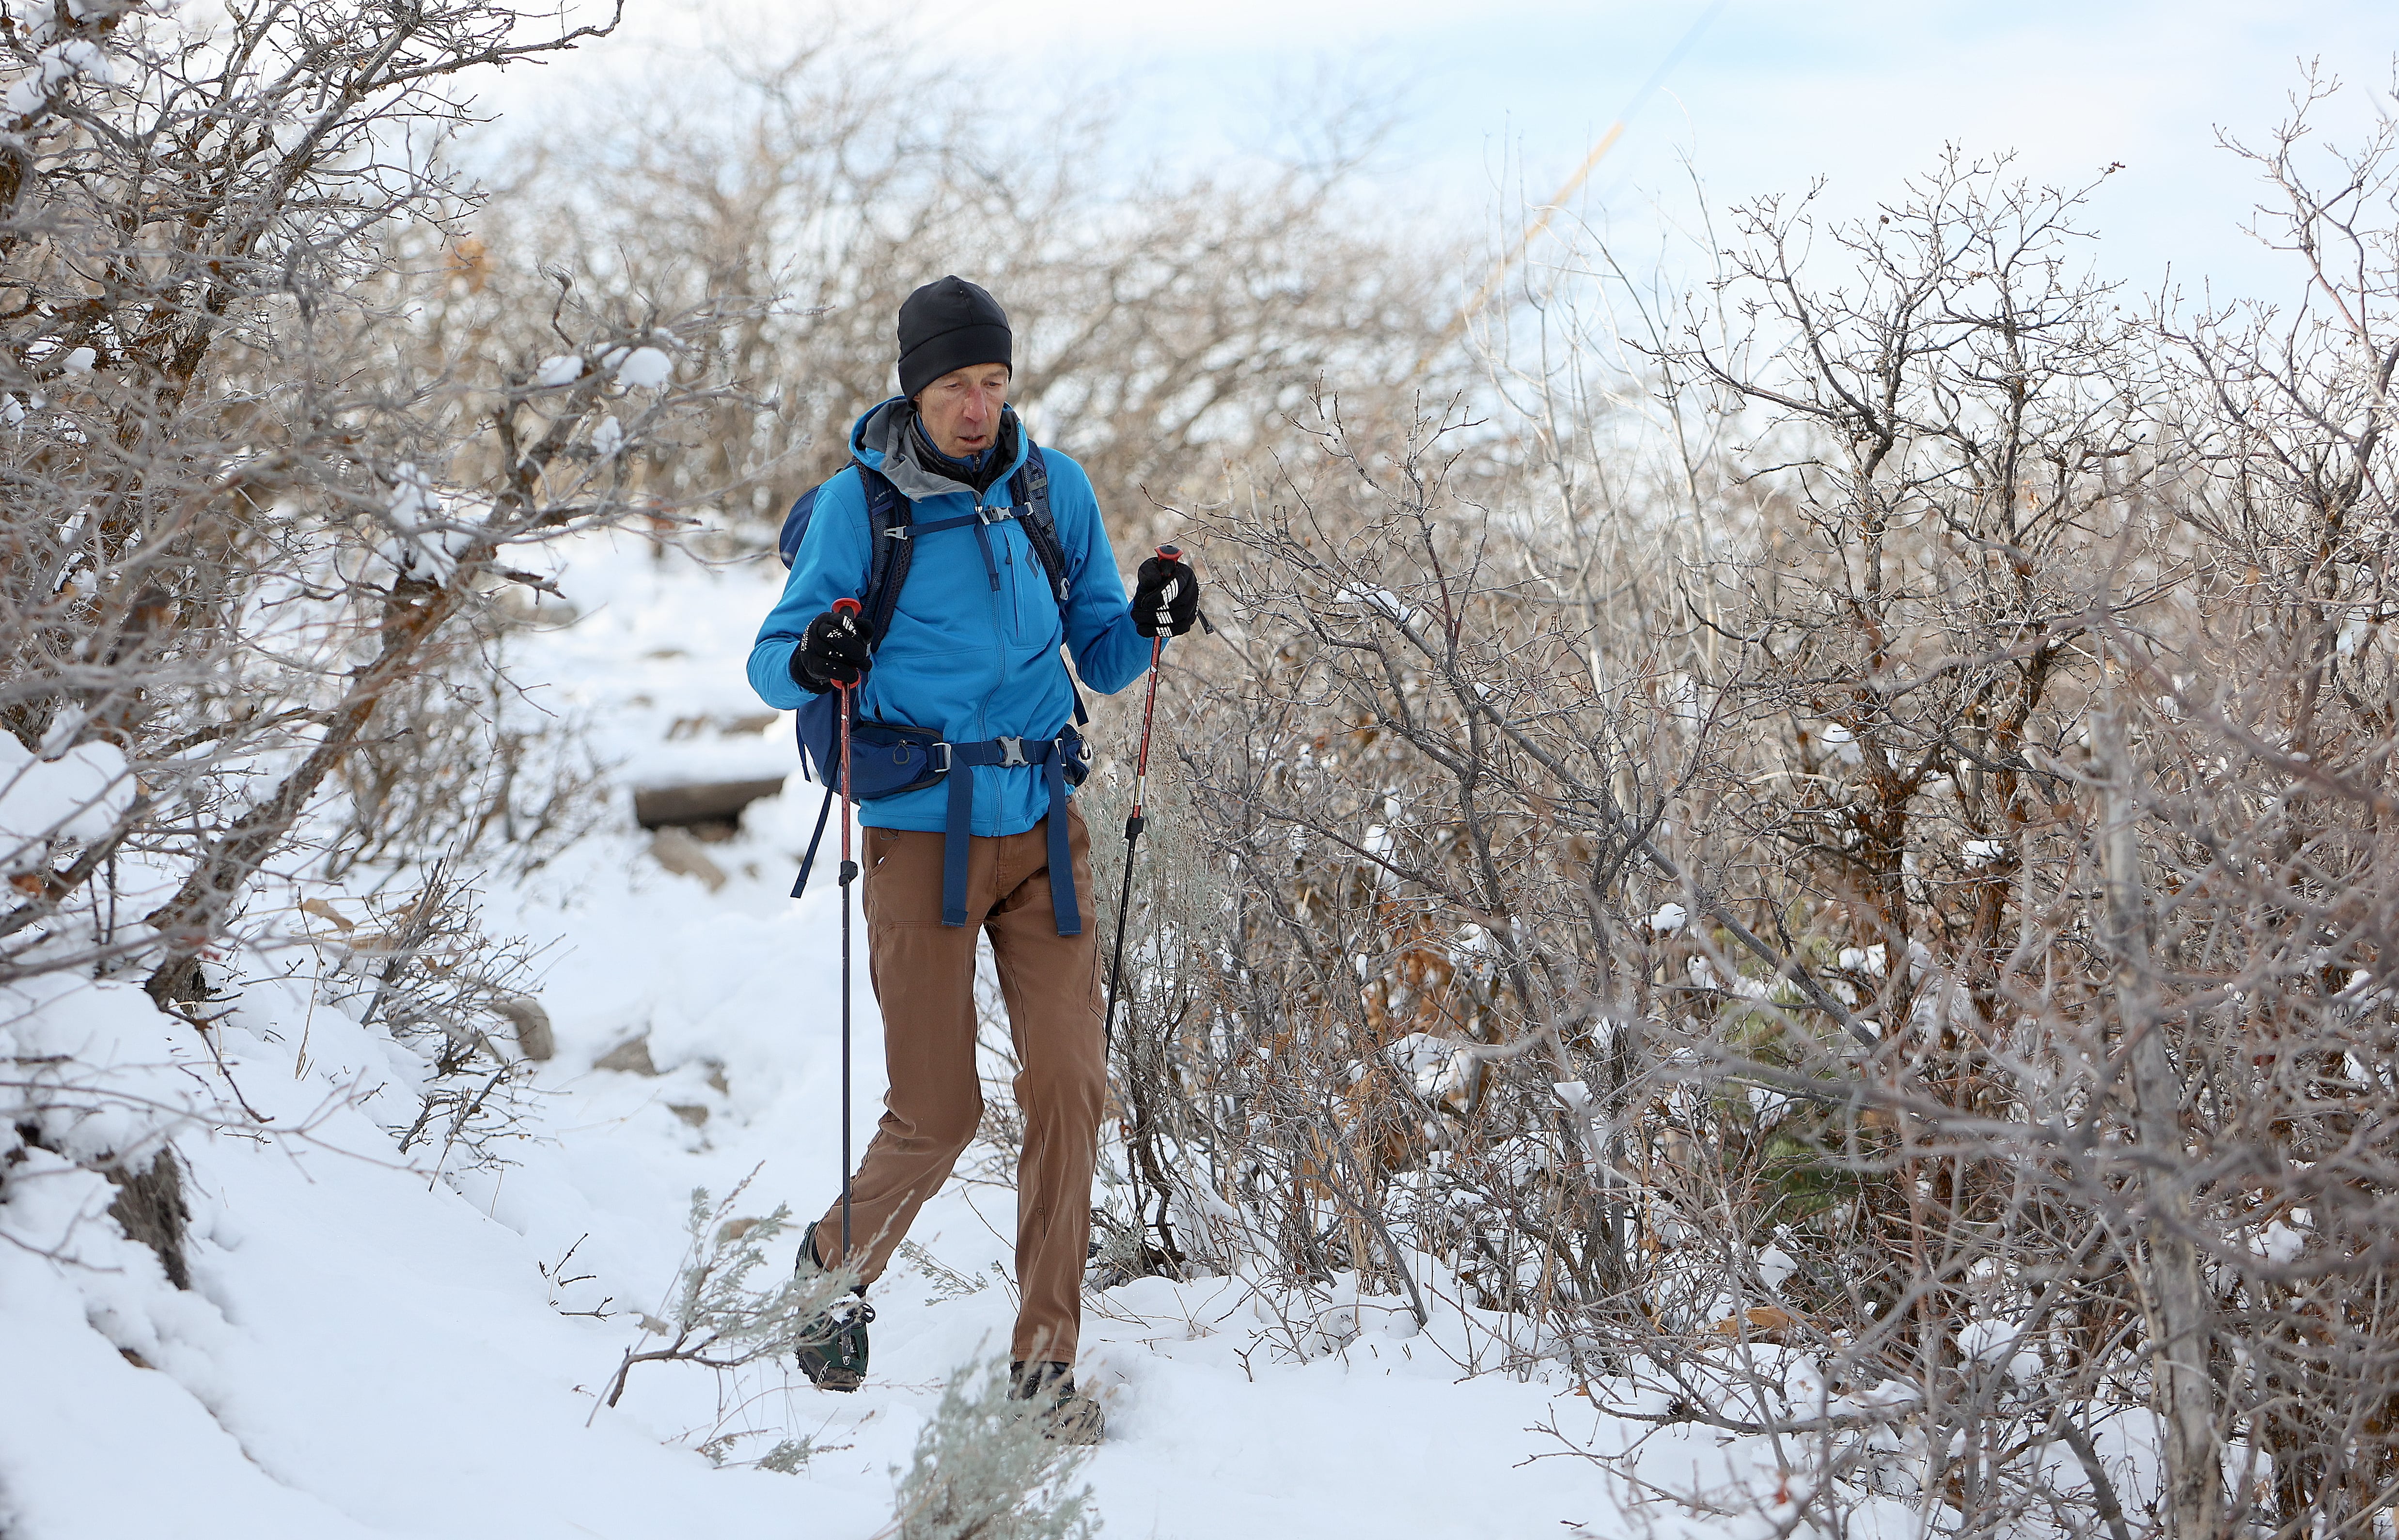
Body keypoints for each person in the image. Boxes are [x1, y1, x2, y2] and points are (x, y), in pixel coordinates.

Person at [746, 276, 1200, 1444]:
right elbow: (771, 659)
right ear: (916, 387)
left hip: (1045, 825)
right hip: (920, 836)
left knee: (1068, 1087)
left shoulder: (1056, 489)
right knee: (939, 1113)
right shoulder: (863, 507)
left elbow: (1101, 653)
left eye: (994, 383)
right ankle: (829, 1265)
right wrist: (820, 650)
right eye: (957, 385)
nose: (978, 407)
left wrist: (1149, 609)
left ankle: (1044, 1363)